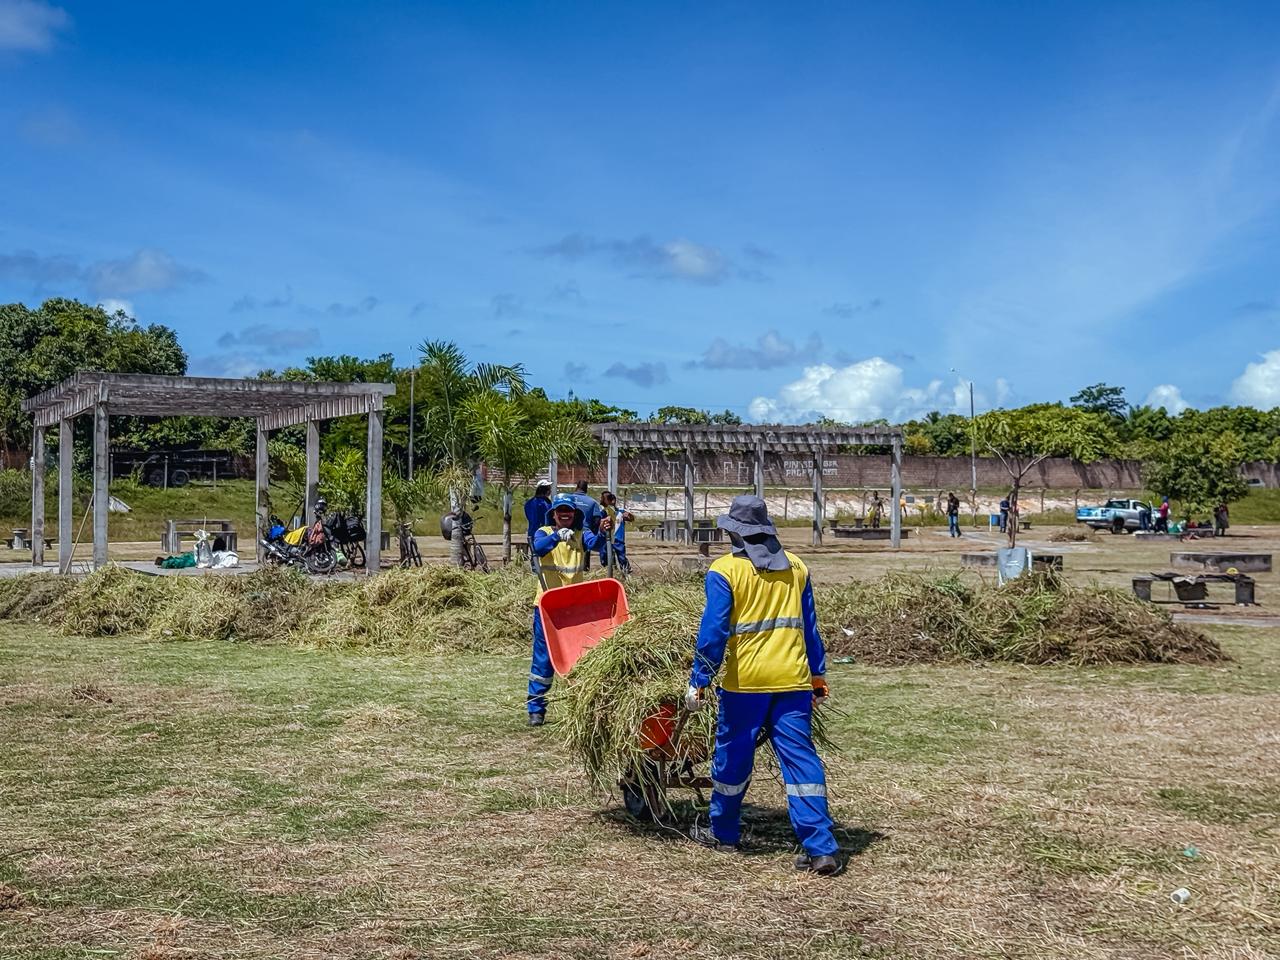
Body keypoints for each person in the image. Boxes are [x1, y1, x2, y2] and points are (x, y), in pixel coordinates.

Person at [685, 495, 839, 876]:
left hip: (746, 684)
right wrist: (817, 676)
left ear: (734, 533)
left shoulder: (724, 571)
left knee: (733, 758)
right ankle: (821, 847)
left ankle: (723, 832)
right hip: (793, 681)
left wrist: (699, 679)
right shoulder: (798, 567)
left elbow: (714, 632)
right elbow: (810, 628)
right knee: (801, 760)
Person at [526, 494, 610, 726]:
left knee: (578, 657)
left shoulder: (581, 534)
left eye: (569, 511)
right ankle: (536, 708)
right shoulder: (543, 531)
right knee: (543, 661)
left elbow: (597, 544)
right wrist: (555, 537)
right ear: (553, 513)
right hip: (547, 606)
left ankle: (581, 708)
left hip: (575, 609)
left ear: (575, 514)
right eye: (560, 510)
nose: (565, 514)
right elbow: (538, 547)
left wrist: (603, 531)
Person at [569, 480, 604, 569]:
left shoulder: (568, 499)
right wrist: (594, 531)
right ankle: (584, 569)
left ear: (576, 487)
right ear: (586, 489)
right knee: (584, 553)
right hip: (585, 532)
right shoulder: (592, 502)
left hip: (568, 532)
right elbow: (597, 519)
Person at [598, 490, 634, 573]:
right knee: (605, 556)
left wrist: (629, 516)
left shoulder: (620, 512)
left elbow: (631, 518)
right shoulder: (603, 512)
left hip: (618, 539)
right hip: (607, 539)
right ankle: (609, 571)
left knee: (621, 557)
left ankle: (626, 571)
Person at [522, 481, 553, 567]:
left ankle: (534, 571)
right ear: (546, 490)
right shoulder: (546, 503)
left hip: (532, 532)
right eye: (549, 489)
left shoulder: (529, 502)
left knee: (534, 555)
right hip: (544, 532)